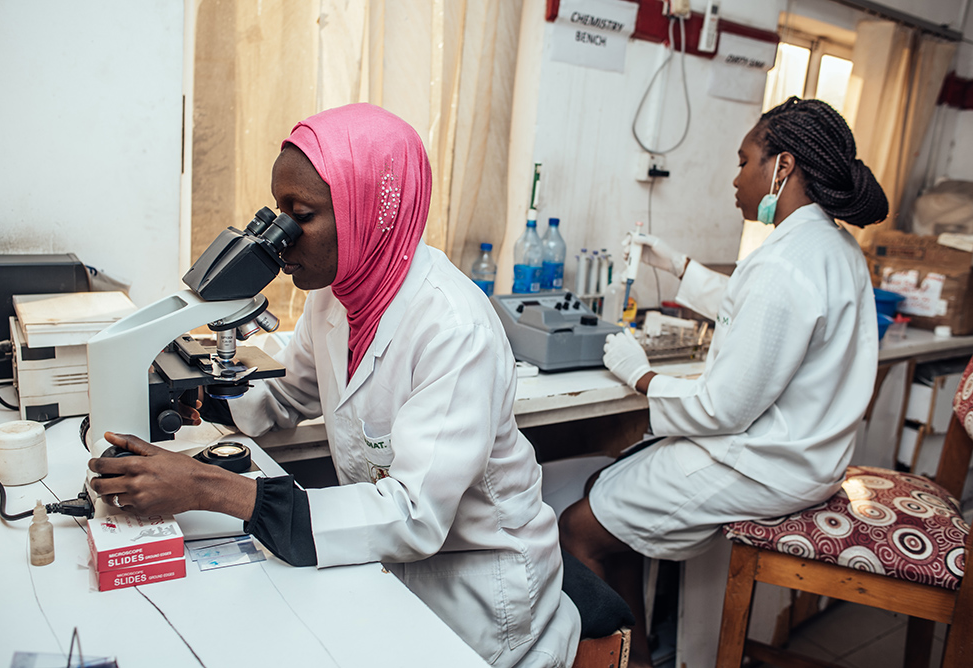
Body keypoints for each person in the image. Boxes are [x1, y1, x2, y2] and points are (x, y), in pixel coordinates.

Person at [89, 103, 581, 668]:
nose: (282, 238)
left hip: (477, 598)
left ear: (369, 211)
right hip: (381, 565)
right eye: (278, 212)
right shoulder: (337, 290)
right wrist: (193, 405)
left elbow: (414, 515)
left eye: (302, 214)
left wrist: (209, 489)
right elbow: (287, 394)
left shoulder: (452, 327)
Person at [558, 97, 888, 668]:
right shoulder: (832, 246)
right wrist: (681, 267)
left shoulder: (784, 264)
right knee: (612, 493)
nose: (735, 178)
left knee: (578, 529)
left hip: (763, 461)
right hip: (806, 456)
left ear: (781, 167)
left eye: (743, 161)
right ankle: (636, 658)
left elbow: (722, 409)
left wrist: (641, 376)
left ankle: (618, 660)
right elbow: (758, 313)